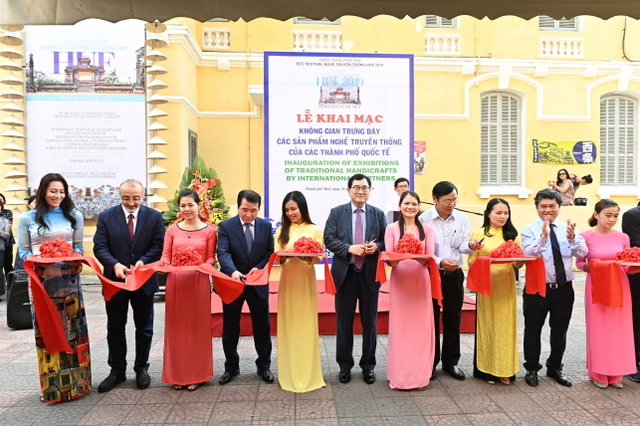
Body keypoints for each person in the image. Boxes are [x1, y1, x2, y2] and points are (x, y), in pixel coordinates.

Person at [17, 173, 87, 403]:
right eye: (53, 191)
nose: (58, 196)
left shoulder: (74, 216)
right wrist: (40, 260)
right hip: (41, 282)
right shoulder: (27, 219)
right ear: (42, 191)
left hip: (69, 281)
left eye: (61, 191)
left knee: (73, 330)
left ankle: (78, 385)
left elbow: (78, 248)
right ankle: (51, 387)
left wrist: (76, 258)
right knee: (46, 329)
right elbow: (24, 252)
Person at [93, 179, 165, 393]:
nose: (131, 203)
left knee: (144, 327)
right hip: (116, 281)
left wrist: (143, 261)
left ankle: (141, 368)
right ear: (120, 196)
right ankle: (117, 370)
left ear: (143, 196)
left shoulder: (154, 216)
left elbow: (158, 245)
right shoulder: (107, 216)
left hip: (143, 280)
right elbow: (100, 246)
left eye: (136, 198)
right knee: (115, 327)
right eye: (126, 198)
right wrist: (114, 264)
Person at [520, 189, 587, 387]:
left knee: (560, 329)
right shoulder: (529, 230)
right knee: (533, 329)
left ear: (559, 207)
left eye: (552, 206)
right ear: (537, 208)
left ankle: (555, 367)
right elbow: (527, 254)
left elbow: (583, 251)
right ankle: (532, 368)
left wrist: (574, 237)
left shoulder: (569, 229)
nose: (547, 210)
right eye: (543, 206)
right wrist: (542, 237)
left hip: (564, 288)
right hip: (537, 288)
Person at [324, 173, 386, 384]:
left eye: (365, 188)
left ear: (370, 190)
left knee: (370, 323)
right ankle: (345, 365)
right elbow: (329, 239)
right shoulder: (336, 212)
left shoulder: (378, 214)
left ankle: (368, 365)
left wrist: (375, 247)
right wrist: (349, 248)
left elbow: (386, 242)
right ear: (349, 190)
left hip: (369, 276)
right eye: (356, 187)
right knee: (344, 323)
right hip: (345, 275)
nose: (361, 191)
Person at [419, 181, 478, 380]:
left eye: (454, 200)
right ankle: (431, 362)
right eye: (447, 201)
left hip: (454, 275)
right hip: (431, 275)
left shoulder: (461, 218)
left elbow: (462, 245)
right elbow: (422, 251)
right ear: (435, 199)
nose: (451, 204)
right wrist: (439, 261)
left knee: (454, 318)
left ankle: (450, 362)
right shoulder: (423, 219)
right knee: (432, 318)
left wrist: (470, 245)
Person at [577, 199, 638, 389]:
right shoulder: (585, 236)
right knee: (599, 330)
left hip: (620, 285)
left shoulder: (623, 238)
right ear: (596, 215)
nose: (612, 220)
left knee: (620, 331)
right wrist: (594, 266)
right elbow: (580, 264)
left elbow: (627, 264)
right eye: (608, 215)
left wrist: (635, 267)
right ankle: (599, 373)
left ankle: (616, 374)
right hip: (596, 285)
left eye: (615, 216)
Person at [160, 189, 217, 391]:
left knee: (197, 329)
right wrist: (165, 264)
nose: (187, 209)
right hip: (176, 283)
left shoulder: (209, 231)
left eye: (190, 205)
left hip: (198, 283)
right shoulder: (172, 230)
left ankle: (197, 375)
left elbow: (211, 258)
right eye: (183, 205)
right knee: (177, 329)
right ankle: (178, 375)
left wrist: (200, 264)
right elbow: (165, 256)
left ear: (198, 206)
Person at [217, 189, 275, 385]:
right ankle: (231, 367)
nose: (249, 214)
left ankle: (264, 366)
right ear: (238, 206)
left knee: (262, 325)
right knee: (231, 325)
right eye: (244, 210)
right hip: (233, 282)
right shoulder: (226, 226)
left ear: (259, 208)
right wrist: (233, 271)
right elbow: (222, 252)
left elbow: (269, 253)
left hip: (257, 282)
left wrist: (256, 270)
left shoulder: (266, 226)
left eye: (253, 210)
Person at [274, 191, 325, 392]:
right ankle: (288, 372)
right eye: (287, 210)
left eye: (293, 209)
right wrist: (283, 257)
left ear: (302, 207)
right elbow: (277, 256)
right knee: (289, 324)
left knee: (306, 324)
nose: (290, 213)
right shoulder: (281, 231)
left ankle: (308, 373)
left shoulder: (315, 229)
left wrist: (309, 257)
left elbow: (319, 255)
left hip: (305, 280)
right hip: (287, 281)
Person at [468, 198, 523, 384]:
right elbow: (471, 262)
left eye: (506, 213)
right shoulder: (479, 234)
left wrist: (519, 258)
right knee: (488, 326)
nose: (502, 216)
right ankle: (487, 370)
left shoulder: (512, 235)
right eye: (498, 213)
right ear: (488, 214)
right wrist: (487, 260)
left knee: (506, 328)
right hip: (486, 287)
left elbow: (519, 264)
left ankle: (505, 370)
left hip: (506, 286)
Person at [385, 191, 435, 389]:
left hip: (420, 281)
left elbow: (429, 259)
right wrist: (403, 254)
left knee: (420, 330)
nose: (410, 207)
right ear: (400, 205)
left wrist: (414, 254)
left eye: (414, 204)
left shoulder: (427, 229)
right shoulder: (391, 228)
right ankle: (399, 376)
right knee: (401, 328)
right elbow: (391, 260)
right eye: (406, 203)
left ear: (419, 206)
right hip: (400, 281)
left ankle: (419, 376)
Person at [622, 203, 640, 382]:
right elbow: (636, 243)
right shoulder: (632, 215)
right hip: (637, 278)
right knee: (636, 322)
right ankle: (633, 364)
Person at [0, 193, 14, 279]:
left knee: (8, 265)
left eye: (1, 199)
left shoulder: (8, 212)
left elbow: (9, 226)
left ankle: (11, 288)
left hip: (7, 243)